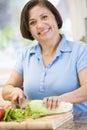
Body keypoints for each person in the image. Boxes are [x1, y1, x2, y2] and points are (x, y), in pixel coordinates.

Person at [2, 0, 87, 112]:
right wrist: (13, 91)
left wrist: (60, 99)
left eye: (44, 17)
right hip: (39, 124)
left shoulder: (80, 50)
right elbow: (6, 89)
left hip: (77, 123)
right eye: (33, 22)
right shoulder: (26, 55)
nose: (40, 25)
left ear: (56, 18)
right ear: (29, 30)